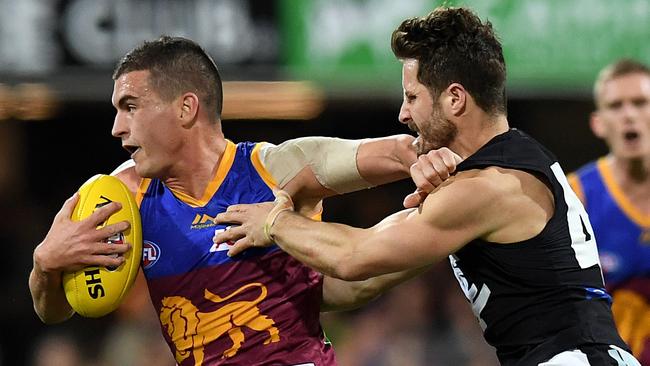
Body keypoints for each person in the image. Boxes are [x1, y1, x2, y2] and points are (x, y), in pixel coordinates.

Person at [213, 7, 642, 366]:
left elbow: (354, 257)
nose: (403, 113)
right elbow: (363, 281)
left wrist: (275, 220)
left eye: (412, 97)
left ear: (455, 99)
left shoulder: (488, 188)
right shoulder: (498, 173)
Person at [28, 35, 456, 366]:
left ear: (185, 108)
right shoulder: (122, 198)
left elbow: (390, 151)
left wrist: (426, 159)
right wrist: (46, 265)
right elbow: (55, 310)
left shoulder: (274, 169)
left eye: (131, 106)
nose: (117, 127)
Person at [567, 59, 650, 364]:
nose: (629, 115)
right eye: (616, 106)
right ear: (598, 123)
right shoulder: (576, 196)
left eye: (641, 103)